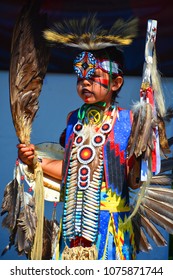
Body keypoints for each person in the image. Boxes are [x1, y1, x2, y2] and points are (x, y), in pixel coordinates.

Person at [17, 45, 141, 260]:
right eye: (80, 77)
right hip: (72, 224)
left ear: (116, 83)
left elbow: (133, 181)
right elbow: (70, 171)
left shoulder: (128, 121)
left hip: (111, 225)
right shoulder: (73, 119)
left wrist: (141, 151)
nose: (85, 82)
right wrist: (34, 160)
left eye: (94, 77)